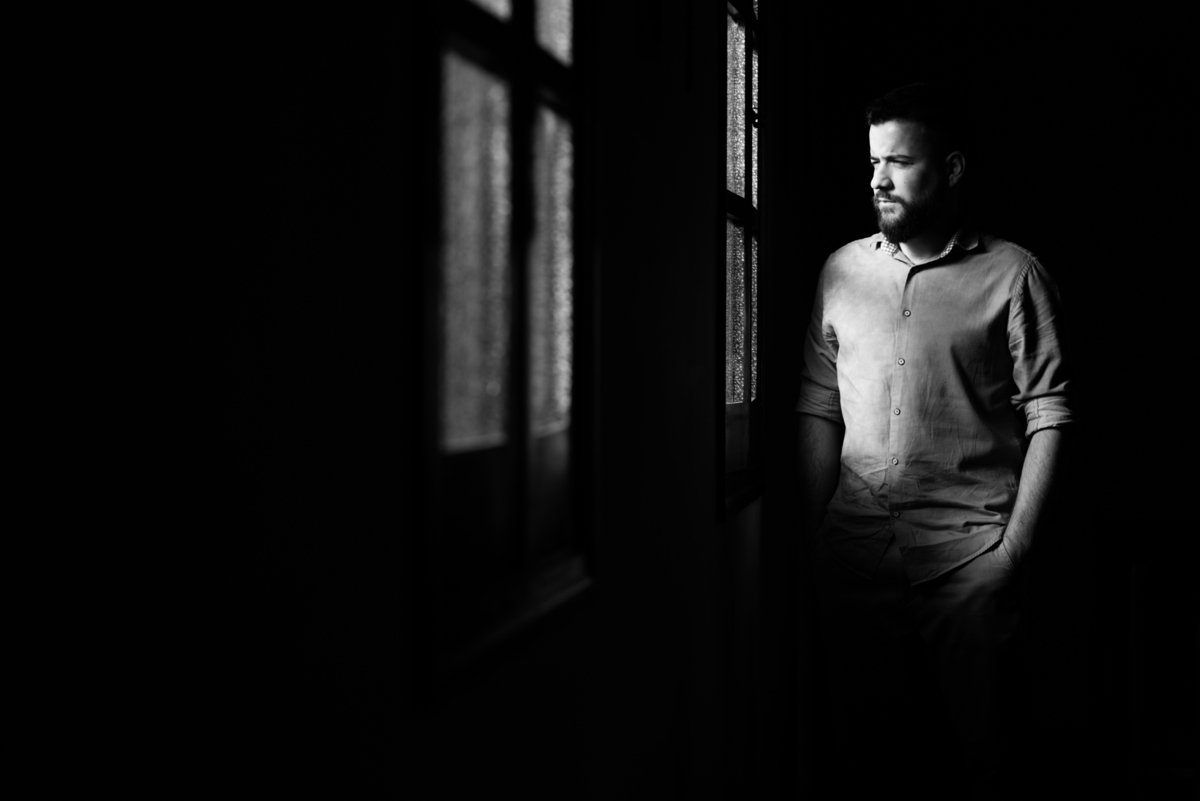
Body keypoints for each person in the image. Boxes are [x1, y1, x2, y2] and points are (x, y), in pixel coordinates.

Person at [796, 83, 1072, 800]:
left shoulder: (1014, 275)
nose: (878, 180)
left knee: (986, 766)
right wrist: (814, 536)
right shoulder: (840, 271)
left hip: (969, 563)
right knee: (866, 767)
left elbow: (1051, 413)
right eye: (872, 162)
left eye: (899, 161)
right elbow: (819, 406)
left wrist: (1010, 556)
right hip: (855, 562)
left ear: (951, 168)